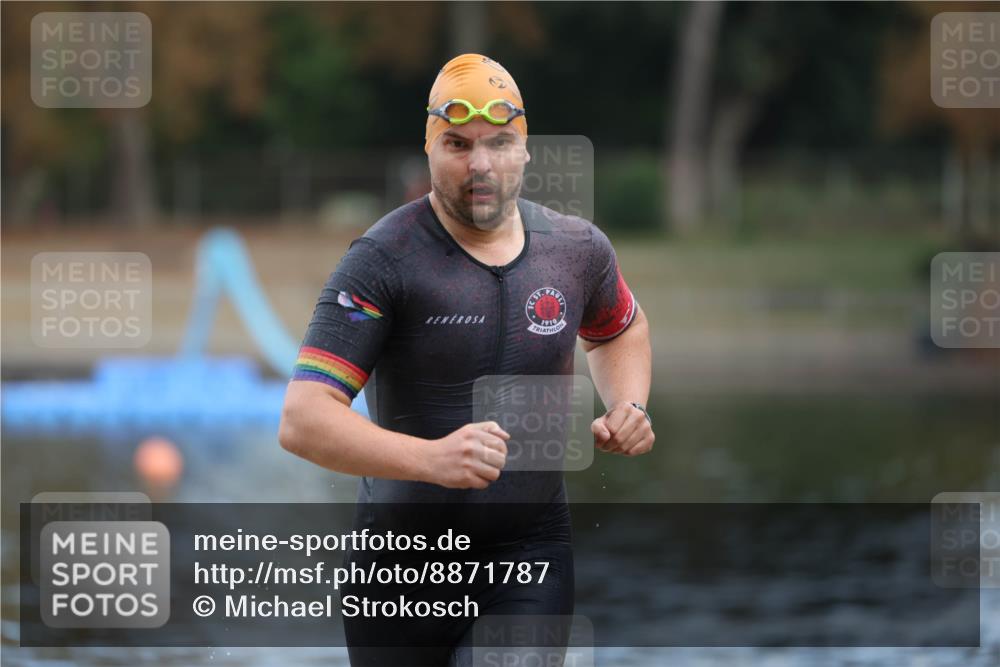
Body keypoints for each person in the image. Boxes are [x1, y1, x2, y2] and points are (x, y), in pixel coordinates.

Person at [279, 53, 654, 667]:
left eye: (499, 142)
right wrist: (431, 459)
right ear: (428, 149)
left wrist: (629, 404)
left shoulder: (576, 250)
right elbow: (302, 419)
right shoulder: (382, 259)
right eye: (457, 144)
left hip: (529, 556)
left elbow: (620, 329)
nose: (480, 164)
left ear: (525, 150)